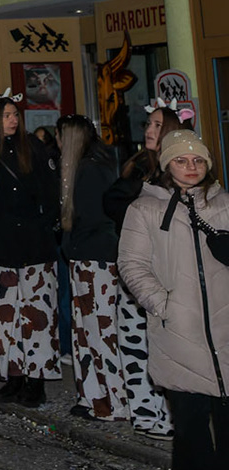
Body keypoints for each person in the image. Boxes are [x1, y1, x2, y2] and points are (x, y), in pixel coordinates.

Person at [116, 129, 229, 470]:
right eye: (181, 160)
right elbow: (132, 264)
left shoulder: (225, 204)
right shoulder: (145, 209)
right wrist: (163, 305)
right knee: (190, 416)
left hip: (226, 326)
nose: (191, 167)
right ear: (167, 165)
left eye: (198, 160)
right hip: (178, 327)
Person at [0, 94, 61, 407]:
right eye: (6, 115)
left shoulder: (33, 147)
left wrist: (44, 223)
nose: (13, 120)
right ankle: (14, 376)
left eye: (15, 114)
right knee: (5, 316)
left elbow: (52, 189)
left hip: (35, 245)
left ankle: (37, 380)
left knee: (38, 315)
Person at [106, 104, 180, 436]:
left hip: (164, 271)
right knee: (134, 344)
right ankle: (145, 413)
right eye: (148, 123)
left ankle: (170, 416)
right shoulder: (140, 167)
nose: (149, 130)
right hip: (135, 269)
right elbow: (111, 203)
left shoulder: (180, 169)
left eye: (157, 125)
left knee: (165, 345)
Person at [59, 113, 131, 422]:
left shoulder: (90, 170)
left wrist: (70, 242)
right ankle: (93, 396)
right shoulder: (93, 165)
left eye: (60, 137)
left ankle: (114, 401)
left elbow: (91, 218)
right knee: (86, 330)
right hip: (87, 255)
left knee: (99, 330)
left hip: (94, 257)